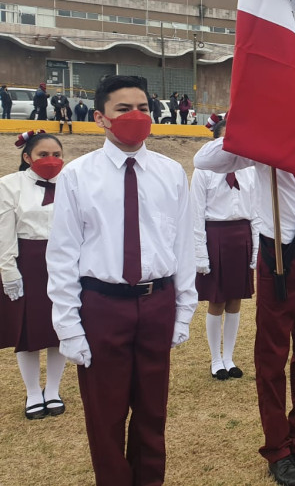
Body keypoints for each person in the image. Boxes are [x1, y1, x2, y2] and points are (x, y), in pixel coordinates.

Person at [194, 65, 295, 485]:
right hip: (278, 257)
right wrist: (253, 125)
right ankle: (278, 448)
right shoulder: (266, 142)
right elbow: (204, 159)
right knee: (272, 356)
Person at [47, 75, 197, 484]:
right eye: (124, 109)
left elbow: (182, 245)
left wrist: (183, 312)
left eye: (144, 108)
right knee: (105, 415)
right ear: (100, 118)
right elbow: (61, 254)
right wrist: (69, 328)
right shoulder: (78, 176)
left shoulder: (170, 173)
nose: (136, 116)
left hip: (157, 302)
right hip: (101, 306)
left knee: (153, 412)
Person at [0, 131, 67, 420]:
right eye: (43, 154)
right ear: (27, 157)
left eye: (56, 154)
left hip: (64, 263)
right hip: (28, 263)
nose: (51, 160)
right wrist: (9, 271)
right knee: (26, 331)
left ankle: (53, 389)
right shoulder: (9, 185)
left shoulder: (70, 183)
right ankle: (31, 392)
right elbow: (4, 233)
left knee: (60, 328)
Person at [191, 118, 260, 381]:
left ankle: (229, 357)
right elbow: (196, 214)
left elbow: (255, 212)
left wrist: (254, 249)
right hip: (215, 236)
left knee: (235, 300)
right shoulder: (204, 171)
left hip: (241, 236)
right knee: (216, 300)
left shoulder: (249, 170)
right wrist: (200, 253)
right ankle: (215, 359)